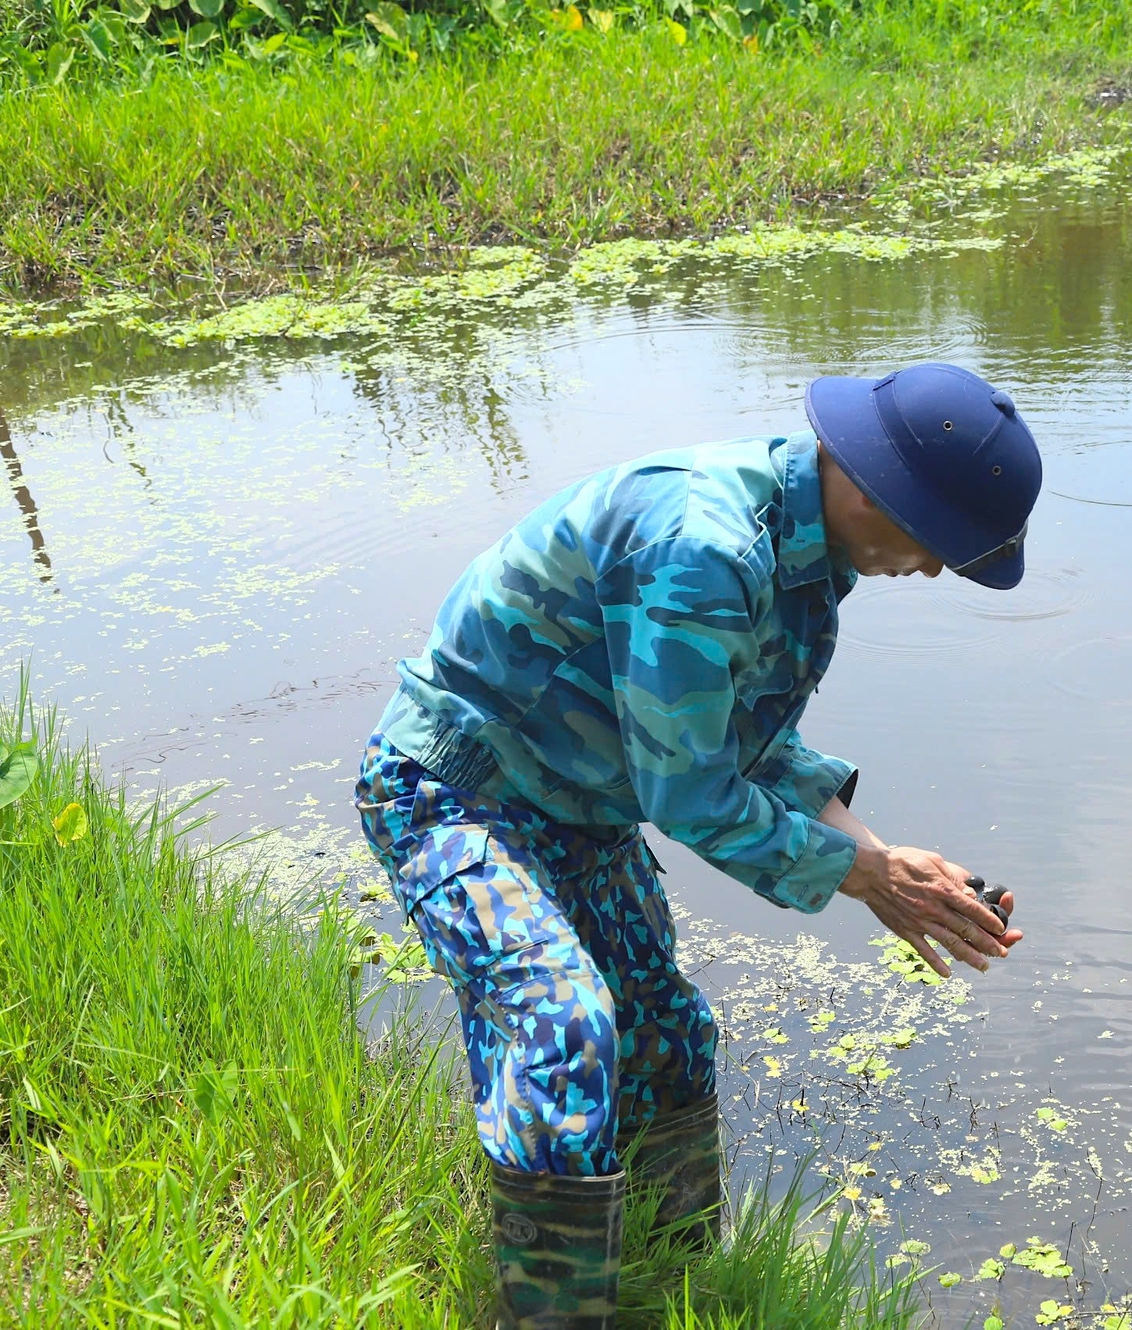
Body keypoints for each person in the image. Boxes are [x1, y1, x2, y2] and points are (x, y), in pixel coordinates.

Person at [353, 363, 1039, 1329]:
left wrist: (890, 861)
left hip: (580, 805)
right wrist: (866, 878)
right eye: (936, 544)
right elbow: (690, 792)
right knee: (562, 1025)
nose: (931, 570)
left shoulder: (809, 557)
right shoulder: (704, 548)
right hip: (458, 791)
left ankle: (675, 1291)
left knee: (670, 1041)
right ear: (879, 486)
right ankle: (550, 1316)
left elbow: (739, 740)